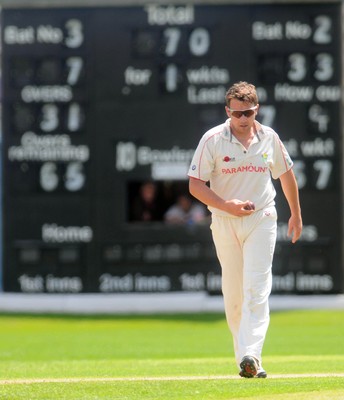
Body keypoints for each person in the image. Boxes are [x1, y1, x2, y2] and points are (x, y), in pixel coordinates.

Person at [188, 81, 302, 378]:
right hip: (225, 221)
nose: (242, 119)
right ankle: (245, 360)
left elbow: (287, 175)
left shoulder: (269, 137)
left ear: (256, 110)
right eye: (237, 113)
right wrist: (227, 206)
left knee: (257, 288)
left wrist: (296, 215)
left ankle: (253, 354)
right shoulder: (212, 139)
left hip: (261, 217)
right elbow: (195, 185)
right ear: (228, 111)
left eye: (248, 113)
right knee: (234, 294)